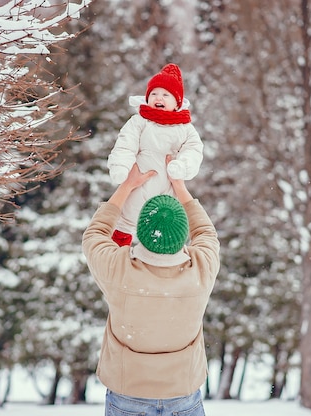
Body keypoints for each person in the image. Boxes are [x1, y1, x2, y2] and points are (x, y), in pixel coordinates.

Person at [82, 158, 220, 416]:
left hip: (128, 395)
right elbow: (206, 233)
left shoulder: (118, 269)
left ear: (141, 231)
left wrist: (127, 186)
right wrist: (180, 187)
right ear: (183, 234)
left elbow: (94, 235)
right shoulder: (201, 269)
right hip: (183, 396)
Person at [107, 63, 204, 246]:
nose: (158, 97)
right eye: (154, 94)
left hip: (167, 188)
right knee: (125, 222)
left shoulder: (185, 128)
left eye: (165, 95)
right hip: (138, 184)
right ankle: (118, 254)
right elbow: (125, 144)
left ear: (177, 102)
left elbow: (194, 151)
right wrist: (121, 165)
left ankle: (160, 263)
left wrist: (181, 166)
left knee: (163, 230)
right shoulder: (139, 121)